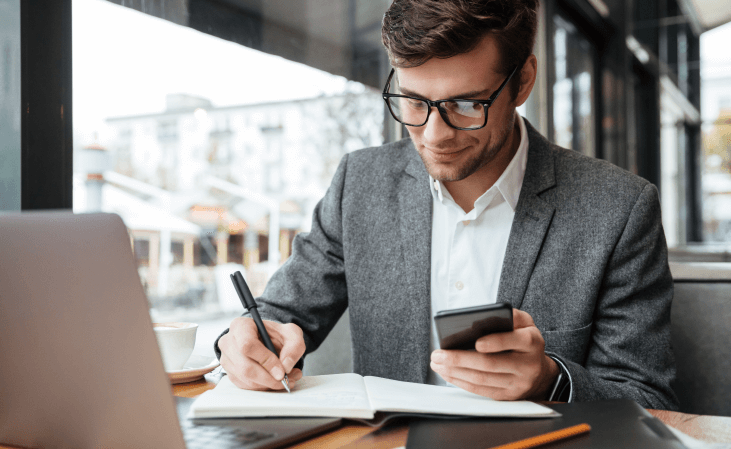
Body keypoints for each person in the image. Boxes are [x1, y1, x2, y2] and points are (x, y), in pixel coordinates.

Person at [215, 0, 678, 409]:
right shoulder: (360, 183)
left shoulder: (618, 209)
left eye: (465, 104)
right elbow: (278, 316)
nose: (434, 135)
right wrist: (244, 343)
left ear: (523, 83)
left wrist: (550, 380)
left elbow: (648, 399)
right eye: (413, 102)